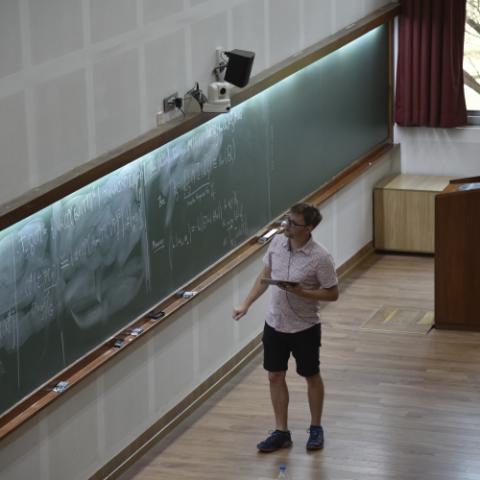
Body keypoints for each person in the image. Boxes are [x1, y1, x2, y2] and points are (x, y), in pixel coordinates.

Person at [232, 203, 338, 452]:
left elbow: (332, 293)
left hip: (304, 327)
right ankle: (281, 432)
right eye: (286, 220)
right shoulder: (277, 243)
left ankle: (316, 428)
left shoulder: (320, 257)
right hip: (275, 323)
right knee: (274, 376)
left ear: (308, 228)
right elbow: (264, 277)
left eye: (292, 223)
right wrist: (246, 303)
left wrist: (303, 292)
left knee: (311, 375)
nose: (286, 226)